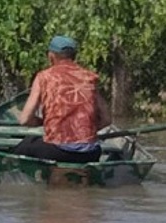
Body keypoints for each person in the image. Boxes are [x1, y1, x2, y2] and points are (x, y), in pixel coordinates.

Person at [14, 35, 112, 163]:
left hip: (56, 152)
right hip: (90, 153)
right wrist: (84, 132)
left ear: (51, 56)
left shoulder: (44, 77)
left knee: (27, 144)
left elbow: (24, 120)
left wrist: (42, 123)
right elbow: (106, 119)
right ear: (74, 56)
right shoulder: (89, 78)